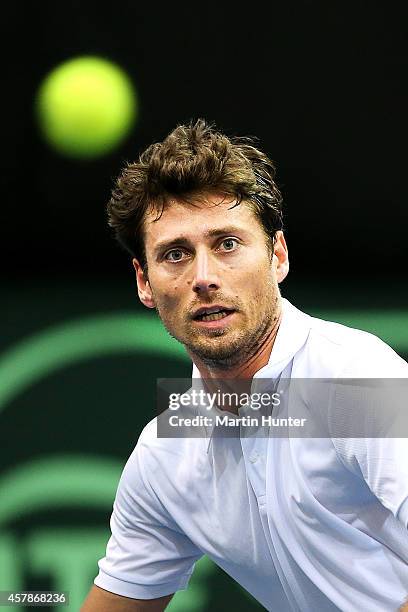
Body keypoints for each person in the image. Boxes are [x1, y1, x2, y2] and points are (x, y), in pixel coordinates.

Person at [81, 119, 408, 612]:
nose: (205, 278)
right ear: (144, 283)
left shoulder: (358, 379)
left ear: (277, 256)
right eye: (175, 254)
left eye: (227, 244)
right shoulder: (163, 456)